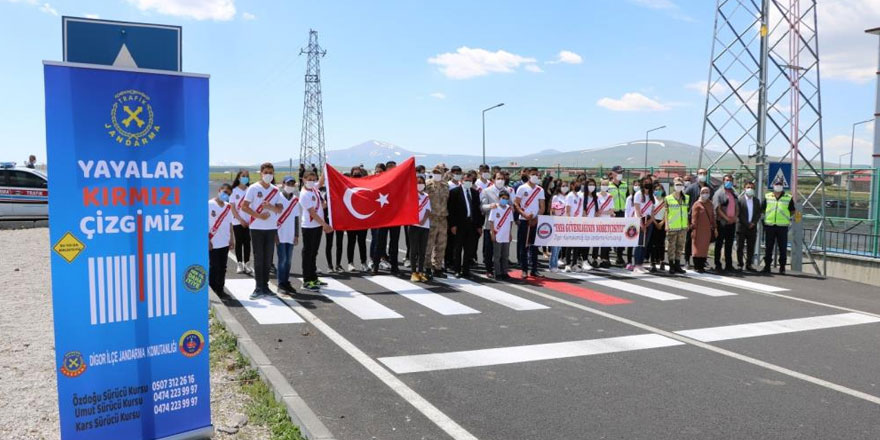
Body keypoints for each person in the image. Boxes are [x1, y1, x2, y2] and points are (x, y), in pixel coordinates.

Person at [240, 163, 284, 299]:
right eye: (266, 172)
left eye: (271, 172)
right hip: (257, 228)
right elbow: (244, 207)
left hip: (271, 228)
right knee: (259, 258)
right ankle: (258, 287)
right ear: (261, 173)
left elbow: (279, 209)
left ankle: (266, 286)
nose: (268, 175)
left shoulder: (275, 190)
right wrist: (258, 216)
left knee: (268, 259)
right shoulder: (253, 188)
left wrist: (270, 207)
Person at [300, 171, 333, 290]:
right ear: (303, 179)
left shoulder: (314, 189)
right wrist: (325, 224)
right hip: (309, 227)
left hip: (317, 226)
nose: (311, 181)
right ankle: (307, 280)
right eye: (308, 179)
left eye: (313, 179)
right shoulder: (304, 194)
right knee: (308, 253)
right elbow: (312, 213)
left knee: (314, 253)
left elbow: (322, 182)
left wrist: (325, 170)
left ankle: (313, 277)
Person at [448, 172, 484, 278]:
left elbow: (477, 210)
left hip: (472, 225)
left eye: (470, 181)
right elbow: (451, 210)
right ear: (461, 181)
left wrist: (479, 226)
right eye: (466, 180)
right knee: (457, 248)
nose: (468, 182)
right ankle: (457, 269)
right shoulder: (454, 192)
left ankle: (466, 270)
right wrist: (453, 225)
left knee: (469, 249)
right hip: (459, 225)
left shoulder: (475, 192)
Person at [514, 167, 546, 278]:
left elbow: (542, 206)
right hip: (524, 220)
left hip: (535, 221)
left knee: (534, 246)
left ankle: (534, 269)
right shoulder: (522, 188)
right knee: (524, 246)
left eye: (537, 174)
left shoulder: (540, 190)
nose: (535, 176)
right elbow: (516, 204)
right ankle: (524, 269)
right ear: (528, 175)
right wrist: (524, 214)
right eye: (533, 174)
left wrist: (536, 218)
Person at [762, 178, 795, 275]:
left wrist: (785, 217)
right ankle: (767, 266)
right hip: (770, 225)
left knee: (782, 247)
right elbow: (763, 209)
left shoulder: (788, 197)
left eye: (780, 184)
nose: (778, 185)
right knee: (768, 247)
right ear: (773, 185)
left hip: (782, 226)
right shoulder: (768, 196)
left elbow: (792, 211)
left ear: (783, 185)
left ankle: (782, 267)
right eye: (776, 184)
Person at [208, 184, 235, 295]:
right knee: (214, 267)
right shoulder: (209, 204)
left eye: (228, 194)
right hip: (212, 241)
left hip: (224, 241)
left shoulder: (228, 206)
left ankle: (220, 289)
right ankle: (212, 291)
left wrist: (232, 239)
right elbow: (202, 223)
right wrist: (207, 240)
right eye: (224, 192)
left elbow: (230, 224)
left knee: (223, 267)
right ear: (219, 190)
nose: (226, 195)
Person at [276, 176, 301, 293]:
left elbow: (296, 218)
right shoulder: (278, 197)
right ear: (283, 184)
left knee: (289, 260)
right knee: (282, 260)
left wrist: (296, 234)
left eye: (292, 184)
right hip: (280, 233)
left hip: (290, 234)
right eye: (288, 183)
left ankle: (286, 282)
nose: (290, 186)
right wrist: (274, 234)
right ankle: (281, 283)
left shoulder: (295, 199)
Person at [684, 168, 713, 268]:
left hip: (705, 220)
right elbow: (684, 202)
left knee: (703, 241)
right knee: (690, 240)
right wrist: (687, 219)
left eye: (704, 173)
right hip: (692, 218)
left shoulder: (709, 188)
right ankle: (687, 259)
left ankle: (702, 260)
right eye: (700, 173)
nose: (702, 175)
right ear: (697, 175)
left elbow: (710, 204)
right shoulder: (691, 188)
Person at [480, 171, 506, 277]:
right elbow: (482, 207)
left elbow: (511, 205)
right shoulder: (486, 191)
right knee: (489, 249)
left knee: (501, 250)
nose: (501, 180)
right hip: (490, 224)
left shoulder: (507, 190)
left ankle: (500, 270)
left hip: (503, 226)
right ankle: (488, 269)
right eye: (498, 178)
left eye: (502, 179)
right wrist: (491, 206)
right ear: (493, 180)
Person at [425, 166, 450, 279]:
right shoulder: (427, 184)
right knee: (429, 244)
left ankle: (438, 267)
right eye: (435, 172)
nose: (437, 174)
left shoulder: (446, 185)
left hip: (442, 218)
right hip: (431, 218)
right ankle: (427, 267)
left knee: (441, 245)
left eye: (439, 172)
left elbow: (447, 201)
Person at [712, 174, 739, 272]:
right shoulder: (719, 193)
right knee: (719, 244)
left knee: (729, 244)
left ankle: (729, 264)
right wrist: (727, 218)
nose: (729, 182)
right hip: (722, 222)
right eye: (727, 180)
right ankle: (717, 264)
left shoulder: (734, 193)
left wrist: (735, 217)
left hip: (732, 223)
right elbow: (717, 208)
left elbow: (737, 207)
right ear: (723, 181)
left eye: (731, 180)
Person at [346, 168, 370, 272]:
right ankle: (350, 263)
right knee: (351, 242)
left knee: (362, 242)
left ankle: (363, 262)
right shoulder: (347, 187)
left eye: (358, 175)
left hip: (362, 220)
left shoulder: (365, 187)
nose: (357, 177)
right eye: (355, 175)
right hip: (351, 220)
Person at [664, 177, 689, 274]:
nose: (679, 186)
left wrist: (687, 223)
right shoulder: (668, 198)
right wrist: (667, 224)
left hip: (682, 226)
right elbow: (666, 212)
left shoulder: (686, 198)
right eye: (677, 185)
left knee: (680, 247)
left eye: (680, 185)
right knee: (671, 247)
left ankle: (678, 264)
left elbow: (686, 211)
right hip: (672, 226)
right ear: (674, 186)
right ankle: (671, 265)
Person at [410, 176, 432, 282]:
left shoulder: (426, 196)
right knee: (414, 250)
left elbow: (428, 210)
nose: (420, 184)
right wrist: (417, 220)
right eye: (418, 182)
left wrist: (423, 220)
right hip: (414, 226)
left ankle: (421, 272)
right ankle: (413, 272)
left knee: (423, 250)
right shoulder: (411, 195)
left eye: (422, 182)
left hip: (425, 226)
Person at [231, 170, 252, 274]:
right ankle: (239, 264)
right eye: (243, 176)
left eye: (247, 176)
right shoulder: (234, 191)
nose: (245, 178)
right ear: (238, 177)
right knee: (239, 243)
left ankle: (247, 264)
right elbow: (233, 208)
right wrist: (240, 220)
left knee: (247, 243)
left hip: (249, 222)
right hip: (237, 221)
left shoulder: (250, 190)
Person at [489, 190, 515, 280]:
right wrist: (492, 233)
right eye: (503, 198)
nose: (505, 200)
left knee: (505, 255)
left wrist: (510, 233)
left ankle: (504, 272)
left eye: (507, 199)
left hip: (506, 235)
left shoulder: (509, 209)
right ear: (499, 198)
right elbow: (491, 221)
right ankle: (498, 273)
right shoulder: (495, 208)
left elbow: (511, 222)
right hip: (497, 234)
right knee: (497, 256)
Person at [691, 186, 717, 273]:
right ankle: (697, 265)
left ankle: (702, 265)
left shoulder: (710, 204)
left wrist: (715, 228)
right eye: (703, 192)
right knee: (697, 247)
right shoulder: (697, 204)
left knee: (704, 248)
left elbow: (713, 217)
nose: (705, 194)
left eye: (707, 192)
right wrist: (693, 229)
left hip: (707, 230)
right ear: (700, 193)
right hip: (698, 229)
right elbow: (694, 218)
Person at [737, 181, 761, 271]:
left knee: (751, 247)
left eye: (752, 187)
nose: (750, 189)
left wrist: (753, 223)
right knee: (740, 246)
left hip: (752, 228)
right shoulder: (740, 199)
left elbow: (758, 213)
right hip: (742, 227)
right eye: (748, 187)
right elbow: (739, 213)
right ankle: (740, 264)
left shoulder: (756, 200)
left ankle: (749, 264)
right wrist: (747, 223)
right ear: (744, 189)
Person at [631, 178, 653, 273]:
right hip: (640, 220)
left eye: (649, 183)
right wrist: (641, 223)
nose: (647, 184)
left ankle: (641, 264)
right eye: (645, 183)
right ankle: (636, 265)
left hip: (648, 220)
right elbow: (637, 210)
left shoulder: (651, 195)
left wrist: (650, 220)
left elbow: (652, 209)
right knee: (639, 244)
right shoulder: (638, 194)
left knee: (645, 244)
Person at [608, 166, 629, 266]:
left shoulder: (625, 185)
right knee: (610, 235)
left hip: (623, 213)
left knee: (621, 236)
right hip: (612, 214)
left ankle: (619, 256)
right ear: (613, 174)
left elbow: (629, 199)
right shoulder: (608, 186)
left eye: (621, 172)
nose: (620, 174)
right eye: (618, 172)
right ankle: (606, 257)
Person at [563, 178, 585, 272]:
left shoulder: (579, 197)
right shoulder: (569, 196)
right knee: (569, 244)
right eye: (577, 184)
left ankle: (574, 264)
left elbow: (581, 211)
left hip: (578, 223)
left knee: (576, 245)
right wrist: (569, 222)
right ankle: (567, 264)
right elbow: (567, 211)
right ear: (572, 186)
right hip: (571, 223)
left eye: (579, 184)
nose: (578, 185)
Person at [596, 178, 616, 268]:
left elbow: (612, 211)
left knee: (605, 241)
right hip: (597, 221)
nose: (604, 186)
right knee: (596, 241)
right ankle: (595, 259)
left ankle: (604, 259)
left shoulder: (610, 196)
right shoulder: (596, 196)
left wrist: (602, 212)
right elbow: (595, 210)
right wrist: (602, 212)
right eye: (603, 184)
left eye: (606, 184)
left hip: (607, 221)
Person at [548, 182, 568, 272]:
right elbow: (552, 210)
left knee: (559, 246)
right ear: (559, 187)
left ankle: (555, 264)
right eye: (563, 186)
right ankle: (552, 265)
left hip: (564, 223)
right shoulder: (556, 197)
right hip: (556, 222)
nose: (565, 188)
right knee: (555, 246)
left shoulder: (568, 197)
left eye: (566, 186)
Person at [648, 182, 667, 273]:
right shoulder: (651, 200)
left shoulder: (665, 200)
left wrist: (662, 222)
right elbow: (650, 213)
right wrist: (655, 222)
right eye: (656, 190)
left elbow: (667, 213)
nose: (657, 191)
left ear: (663, 190)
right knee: (653, 244)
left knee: (661, 244)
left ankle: (662, 261)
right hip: (653, 223)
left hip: (662, 223)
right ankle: (653, 262)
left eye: (659, 189)